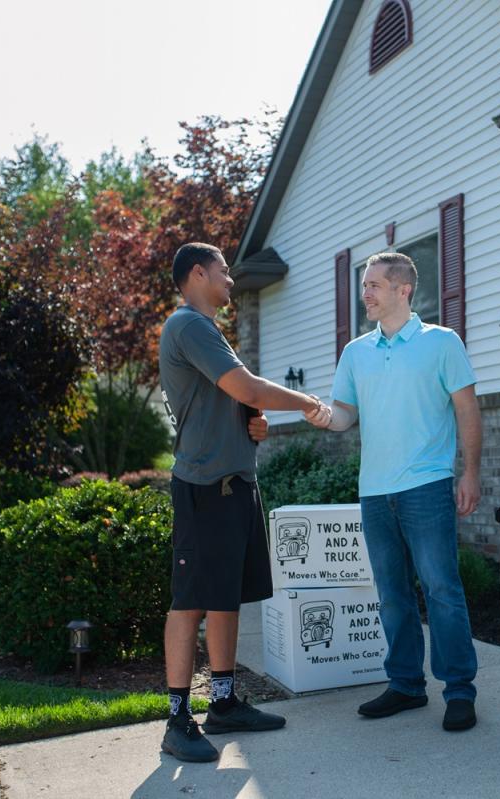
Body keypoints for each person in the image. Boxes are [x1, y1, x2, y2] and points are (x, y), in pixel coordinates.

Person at [158, 242, 325, 763]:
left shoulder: (209, 331)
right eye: (224, 272)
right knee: (190, 602)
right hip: (204, 486)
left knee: (226, 596)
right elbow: (244, 384)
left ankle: (224, 701)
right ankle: (177, 717)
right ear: (198, 273)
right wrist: (309, 403)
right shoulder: (187, 326)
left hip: (234, 482)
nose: (230, 280)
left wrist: (253, 422)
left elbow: (236, 399)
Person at [304, 252, 482, 732]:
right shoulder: (355, 352)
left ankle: (459, 691)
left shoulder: (441, 342)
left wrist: (470, 473)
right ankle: (405, 685)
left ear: (404, 290)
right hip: (375, 492)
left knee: (442, 589)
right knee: (391, 594)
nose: (365, 293)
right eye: (364, 285)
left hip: (427, 485)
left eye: (374, 285)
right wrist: (322, 414)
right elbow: (345, 416)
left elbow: (467, 410)